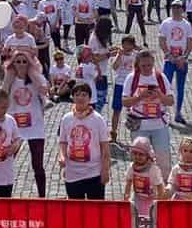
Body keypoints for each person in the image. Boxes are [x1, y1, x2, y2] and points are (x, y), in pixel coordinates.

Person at [121, 48, 175, 176]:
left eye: (149, 65)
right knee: (139, 159)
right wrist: (140, 97)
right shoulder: (132, 78)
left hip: (159, 124)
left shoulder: (160, 77)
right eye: (143, 65)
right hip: (139, 125)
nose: (146, 68)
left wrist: (160, 96)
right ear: (138, 64)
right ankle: (141, 187)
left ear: (153, 63)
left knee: (163, 161)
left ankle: (164, 189)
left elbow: (171, 101)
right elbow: (124, 102)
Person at [4, 51, 50, 197]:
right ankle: (5, 194)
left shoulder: (35, 78)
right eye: (18, 62)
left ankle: (42, 196)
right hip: (14, 126)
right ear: (13, 64)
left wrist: (41, 85)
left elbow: (45, 89)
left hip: (34, 125)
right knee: (7, 161)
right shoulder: (9, 80)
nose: (21, 65)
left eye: (25, 61)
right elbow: (1, 96)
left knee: (38, 165)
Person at [56, 81, 111, 199]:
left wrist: (105, 170)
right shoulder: (66, 119)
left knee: (95, 212)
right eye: (77, 94)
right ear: (72, 97)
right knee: (75, 212)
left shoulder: (98, 119)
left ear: (90, 98)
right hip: (72, 173)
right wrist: (62, 156)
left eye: (84, 95)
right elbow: (63, 142)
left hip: (94, 173)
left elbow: (105, 148)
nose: (80, 98)